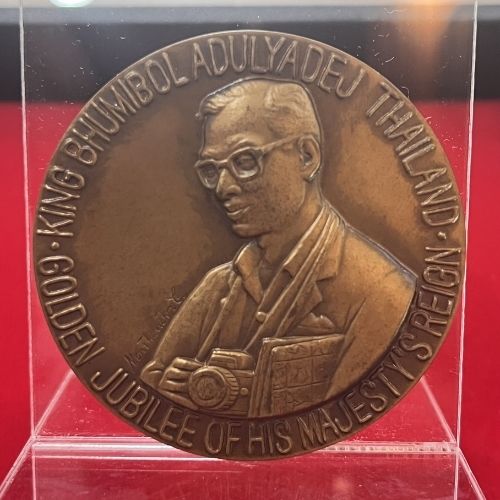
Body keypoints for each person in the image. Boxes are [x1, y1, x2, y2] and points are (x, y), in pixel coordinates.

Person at [140, 78, 416, 417]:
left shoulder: (382, 292)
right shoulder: (219, 284)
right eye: (212, 169)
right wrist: (169, 386)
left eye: (245, 161)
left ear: (307, 156)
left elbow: (337, 415)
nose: (222, 188)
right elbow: (150, 385)